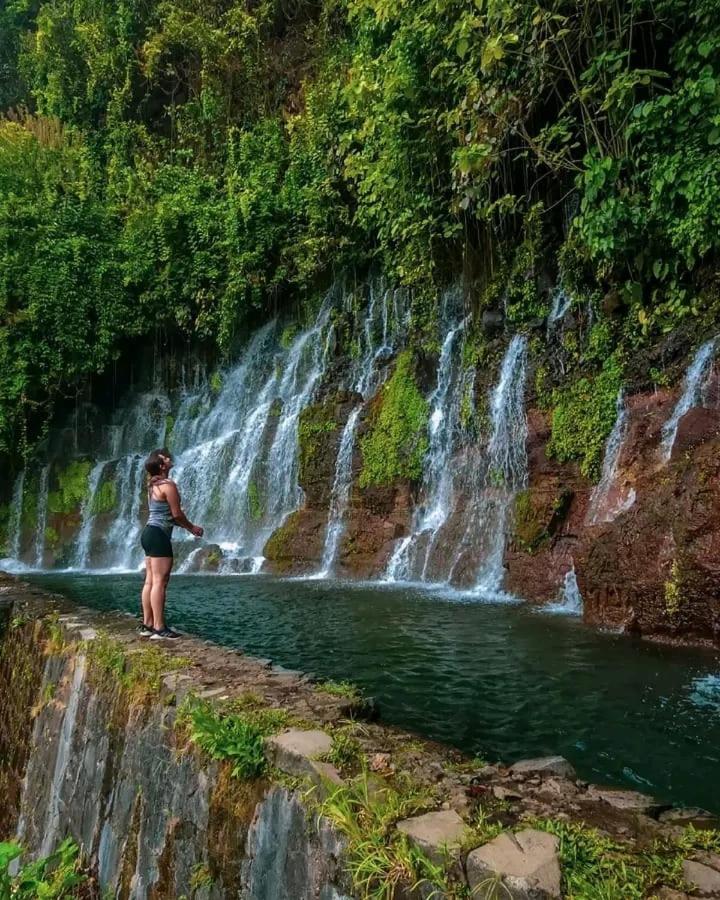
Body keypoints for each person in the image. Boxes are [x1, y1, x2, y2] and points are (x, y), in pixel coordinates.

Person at [139, 448, 203, 639]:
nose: (169, 458)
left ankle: (147, 624)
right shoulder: (168, 485)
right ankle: (159, 628)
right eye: (165, 458)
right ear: (161, 466)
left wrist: (186, 526)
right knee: (160, 582)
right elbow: (176, 514)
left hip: (148, 533)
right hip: (159, 536)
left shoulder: (153, 486)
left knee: (150, 580)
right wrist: (192, 528)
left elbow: (166, 515)